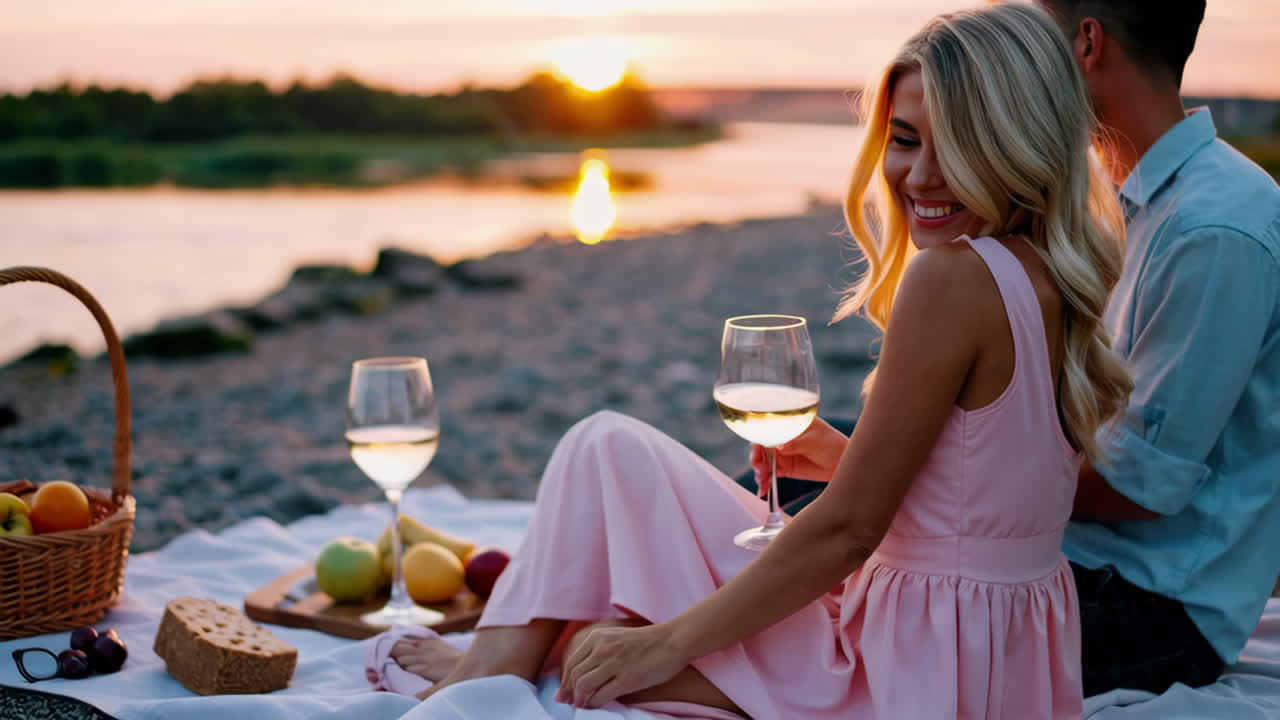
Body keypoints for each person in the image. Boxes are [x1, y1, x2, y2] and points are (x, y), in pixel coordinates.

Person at [391, 5, 1130, 717]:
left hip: (905, 670)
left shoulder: (952, 279)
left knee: (597, 645)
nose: (919, 178)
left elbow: (848, 532)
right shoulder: (1047, 269)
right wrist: (851, 459)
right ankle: (502, 657)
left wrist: (669, 644)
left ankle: (486, 673)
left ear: (1020, 145)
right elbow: (998, 489)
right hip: (989, 653)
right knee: (606, 451)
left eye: (960, 147)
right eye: (904, 140)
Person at [753, 0, 1280, 698]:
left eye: (1037, 31)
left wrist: (870, 483)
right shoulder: (1107, 203)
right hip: (1057, 552)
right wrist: (864, 469)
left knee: (791, 550)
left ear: (1086, 44)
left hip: (1145, 609)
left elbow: (1139, 487)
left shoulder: (1215, 230)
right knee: (771, 489)